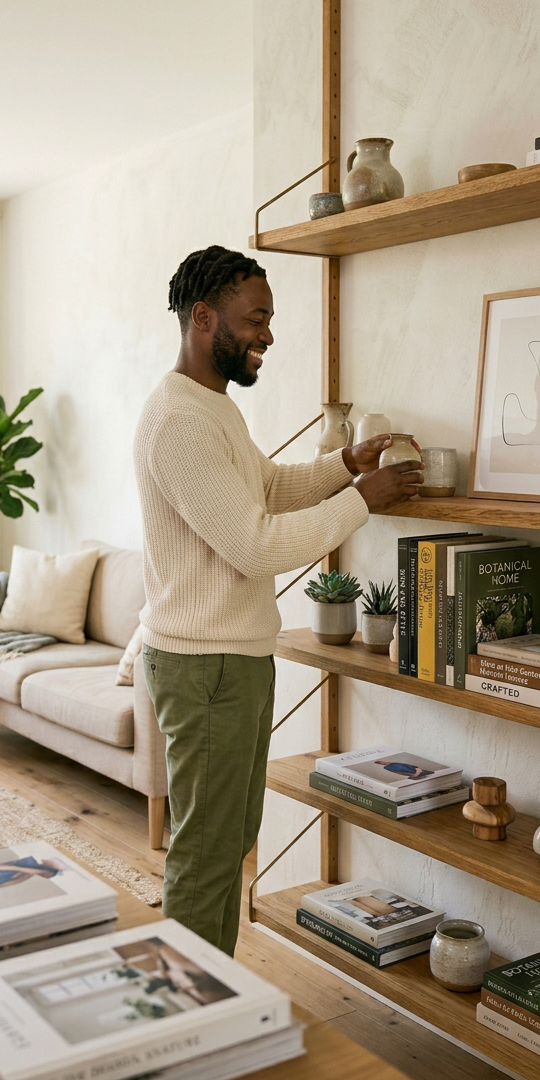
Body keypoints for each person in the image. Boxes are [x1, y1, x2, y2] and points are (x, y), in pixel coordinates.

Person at [133, 245, 421, 955]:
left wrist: (343, 466)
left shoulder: (212, 408)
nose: (267, 334)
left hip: (233, 663)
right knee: (205, 856)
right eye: (255, 318)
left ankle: (210, 998)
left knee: (230, 842)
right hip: (206, 671)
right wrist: (360, 501)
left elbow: (263, 491)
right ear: (204, 319)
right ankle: (186, 1024)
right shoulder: (179, 422)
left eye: (268, 318)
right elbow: (256, 544)